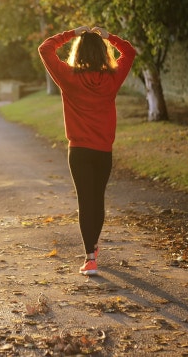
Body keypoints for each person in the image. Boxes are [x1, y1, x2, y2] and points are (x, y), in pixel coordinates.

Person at [38, 26, 136, 276]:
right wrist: (109, 37)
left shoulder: (68, 77)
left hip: (79, 151)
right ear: (103, 53)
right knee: (97, 199)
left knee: (85, 200)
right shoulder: (112, 78)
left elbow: (45, 48)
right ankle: (92, 247)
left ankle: (90, 257)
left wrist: (72, 33)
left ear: (78, 52)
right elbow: (130, 52)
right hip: (103, 151)